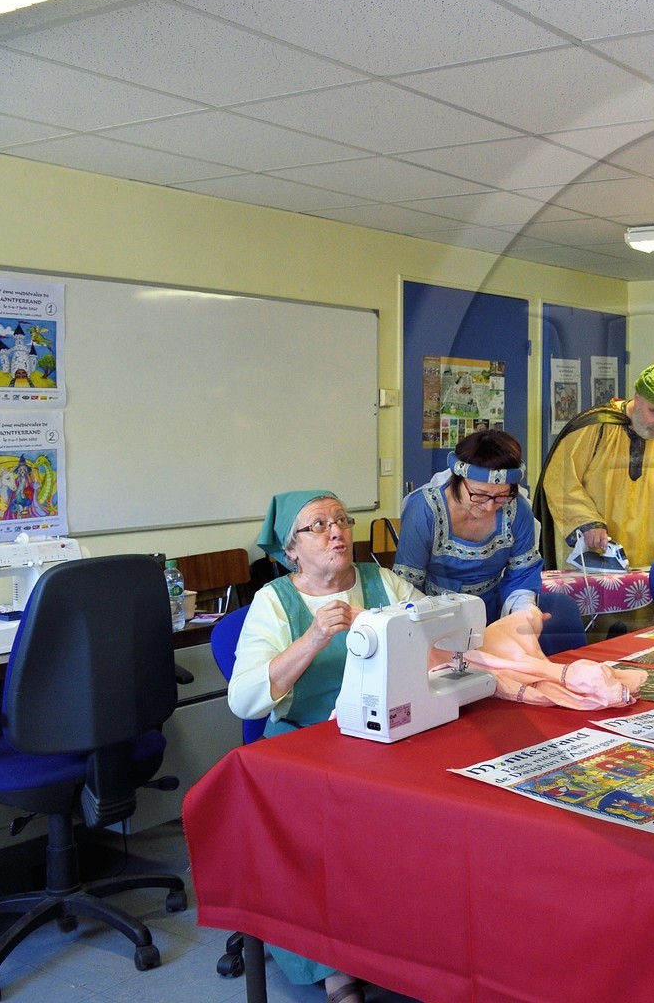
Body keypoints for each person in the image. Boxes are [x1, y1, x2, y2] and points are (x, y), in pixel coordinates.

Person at [228, 490, 425, 1003]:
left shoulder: (383, 581)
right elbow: (245, 699)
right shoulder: (276, 601)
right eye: (317, 525)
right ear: (290, 549)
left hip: (384, 736)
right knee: (316, 827)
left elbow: (437, 641)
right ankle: (333, 967)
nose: (336, 532)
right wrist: (315, 636)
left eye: (341, 520)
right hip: (305, 744)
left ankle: (417, 944)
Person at [533, 364, 654, 569]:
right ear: (637, 398)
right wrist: (588, 523)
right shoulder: (594, 427)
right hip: (595, 555)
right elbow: (560, 480)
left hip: (650, 559)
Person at [393, 429, 545, 617]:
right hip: (431, 613)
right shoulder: (424, 511)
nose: (489, 506)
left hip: (491, 611)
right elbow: (407, 584)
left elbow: (522, 575)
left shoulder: (517, 510)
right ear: (457, 479)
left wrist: (524, 613)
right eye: (479, 494)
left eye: (501, 496)